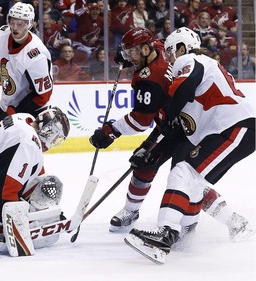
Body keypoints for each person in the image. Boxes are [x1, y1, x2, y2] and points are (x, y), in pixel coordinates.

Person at [89, 27, 254, 241]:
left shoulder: (172, 68)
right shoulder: (163, 50)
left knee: (186, 176)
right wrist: (130, 54)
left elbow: (141, 120)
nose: (167, 56)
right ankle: (140, 215)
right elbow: (157, 45)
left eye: (134, 52)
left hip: (183, 126)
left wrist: (112, 131)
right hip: (188, 123)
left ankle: (193, 226)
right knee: (149, 162)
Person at [0, 107, 70, 253]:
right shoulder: (27, 141)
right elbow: (4, 189)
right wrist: (14, 224)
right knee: (12, 210)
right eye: (55, 137)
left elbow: (31, 178)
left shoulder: (24, 119)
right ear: (49, 131)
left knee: (35, 189)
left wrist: (47, 212)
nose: (53, 142)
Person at [0, 2, 54, 121]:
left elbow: (43, 96)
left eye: (20, 24)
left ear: (29, 24)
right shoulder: (1, 35)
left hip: (34, 111)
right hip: (7, 104)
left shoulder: (36, 55)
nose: (15, 28)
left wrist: (15, 112)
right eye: (12, 22)